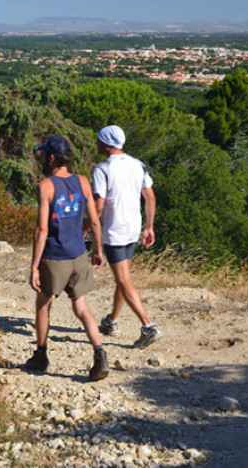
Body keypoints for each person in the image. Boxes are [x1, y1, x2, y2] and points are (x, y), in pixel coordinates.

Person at [27, 134, 108, 381]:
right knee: (82, 308)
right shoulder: (82, 181)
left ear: (51, 157)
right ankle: (100, 353)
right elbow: (94, 221)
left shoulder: (46, 186)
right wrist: (97, 250)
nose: (41, 158)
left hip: (54, 256)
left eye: (43, 155)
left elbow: (41, 231)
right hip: (78, 254)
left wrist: (34, 268)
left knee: (43, 304)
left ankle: (41, 355)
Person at [92, 125, 162, 349]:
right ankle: (112, 321)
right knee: (123, 278)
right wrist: (149, 227)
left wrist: (88, 225)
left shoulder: (102, 169)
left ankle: (148, 326)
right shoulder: (137, 164)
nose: (96, 143)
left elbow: (99, 205)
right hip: (133, 228)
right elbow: (150, 197)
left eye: (99, 140)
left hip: (115, 231)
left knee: (123, 280)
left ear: (106, 143)